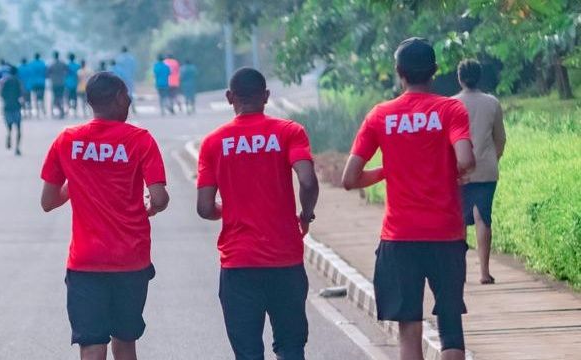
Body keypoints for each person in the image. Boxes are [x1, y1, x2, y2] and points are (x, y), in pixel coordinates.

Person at [341, 38, 474, 360]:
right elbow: (467, 159)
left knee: (408, 331)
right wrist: (446, 169)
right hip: (445, 234)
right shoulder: (450, 109)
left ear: (398, 72)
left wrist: (388, 170)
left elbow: (349, 179)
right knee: (451, 328)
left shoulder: (380, 115)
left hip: (399, 237)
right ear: (435, 71)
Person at [40, 72, 169, 360]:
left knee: (92, 346)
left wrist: (78, 181)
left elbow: (48, 201)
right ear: (120, 98)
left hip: (85, 261)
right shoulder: (140, 140)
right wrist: (153, 206)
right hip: (130, 259)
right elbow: (159, 197)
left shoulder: (67, 140)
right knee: (125, 342)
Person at [196, 68, 319, 360]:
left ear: (229, 98)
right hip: (285, 260)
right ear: (266, 96)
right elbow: (308, 181)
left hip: (239, 264)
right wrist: (306, 214)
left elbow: (203, 208)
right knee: (291, 347)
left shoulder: (214, 142)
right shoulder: (289, 132)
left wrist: (230, 210)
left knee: (248, 352)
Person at [452, 59, 506, 285]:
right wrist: (494, 158)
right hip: (486, 168)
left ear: (460, 78)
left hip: (457, 169)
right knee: (483, 217)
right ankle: (484, 272)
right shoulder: (492, 103)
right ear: (479, 76)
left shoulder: (450, 104)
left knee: (458, 221)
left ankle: (460, 273)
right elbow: (500, 138)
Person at [0, 66, 25, 156]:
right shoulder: (17, 81)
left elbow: (1, 94)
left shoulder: (5, 81)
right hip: (16, 106)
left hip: (7, 106)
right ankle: (17, 148)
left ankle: (9, 135)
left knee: (9, 126)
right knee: (18, 128)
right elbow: (22, 93)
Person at [48, 51, 70, 119]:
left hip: (54, 83)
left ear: (54, 56)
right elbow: (68, 71)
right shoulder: (62, 63)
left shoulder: (52, 64)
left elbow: (48, 73)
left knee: (55, 97)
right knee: (61, 97)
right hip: (61, 83)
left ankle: (57, 111)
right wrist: (63, 76)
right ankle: (61, 111)